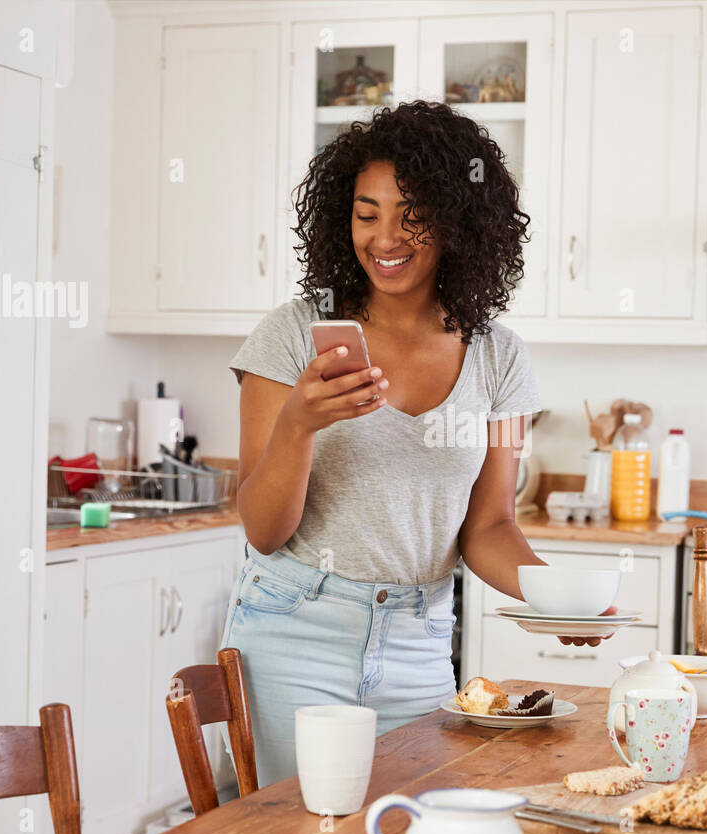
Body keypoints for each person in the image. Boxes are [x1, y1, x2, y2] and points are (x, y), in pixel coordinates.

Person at [222, 100, 610, 786]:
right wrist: (299, 425)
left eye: (412, 213)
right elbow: (262, 528)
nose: (385, 236)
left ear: (459, 222)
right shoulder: (289, 337)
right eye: (367, 212)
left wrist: (554, 597)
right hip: (294, 637)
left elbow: (489, 525)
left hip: (419, 644)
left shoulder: (502, 361)